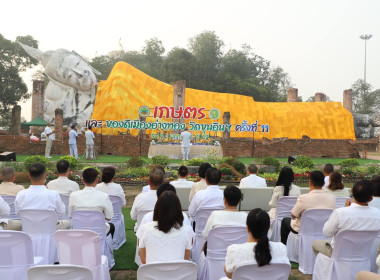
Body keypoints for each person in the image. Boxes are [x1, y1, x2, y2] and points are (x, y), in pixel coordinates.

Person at [312, 179, 380, 258]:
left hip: (339, 254)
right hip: (365, 253)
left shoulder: (340, 213)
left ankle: (329, 268)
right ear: (371, 198)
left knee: (315, 244)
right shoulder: (377, 214)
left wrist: (344, 209)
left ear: (351, 191)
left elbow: (327, 233)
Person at [222, 209, 290, 279]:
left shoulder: (234, 250)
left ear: (247, 228)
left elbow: (231, 275)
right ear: (269, 228)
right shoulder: (281, 248)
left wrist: (225, 268)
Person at [138, 191, 194, 264]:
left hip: (152, 274)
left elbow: (143, 260)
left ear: (157, 208)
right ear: (178, 209)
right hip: (178, 274)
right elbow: (186, 260)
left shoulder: (145, 229)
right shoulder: (187, 230)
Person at [280, 171, 336, 245]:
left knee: (285, 221)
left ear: (310, 183)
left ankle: (284, 248)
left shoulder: (303, 198)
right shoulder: (332, 198)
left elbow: (293, 215)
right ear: (323, 183)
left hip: (304, 230)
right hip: (323, 229)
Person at [15, 163, 71, 229]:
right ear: (45, 176)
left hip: (28, 234)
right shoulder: (53, 194)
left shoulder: (21, 195)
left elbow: (18, 213)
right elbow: (61, 213)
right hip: (49, 235)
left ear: (29, 175)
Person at [69, 168, 114, 236]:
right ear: (96, 181)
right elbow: (109, 217)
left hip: (79, 234)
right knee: (111, 226)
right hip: (98, 236)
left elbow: (71, 215)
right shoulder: (104, 196)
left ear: (83, 180)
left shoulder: (73, 195)